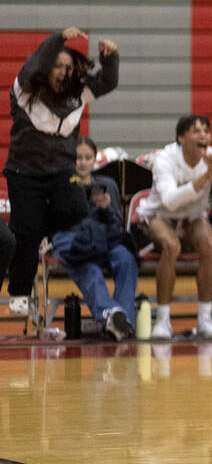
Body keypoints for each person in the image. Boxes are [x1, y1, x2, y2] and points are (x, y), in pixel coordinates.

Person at [4, 26, 118, 318]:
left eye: (69, 67)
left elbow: (107, 82)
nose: (64, 72)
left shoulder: (77, 95)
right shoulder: (25, 89)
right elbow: (32, 64)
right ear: (45, 65)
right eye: (58, 65)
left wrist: (110, 58)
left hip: (60, 170)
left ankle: (45, 232)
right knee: (24, 234)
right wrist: (59, 39)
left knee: (77, 207)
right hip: (24, 172)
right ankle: (18, 290)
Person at [136, 115, 212, 339]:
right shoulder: (165, 158)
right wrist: (206, 176)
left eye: (207, 131)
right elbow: (170, 200)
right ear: (181, 137)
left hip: (192, 217)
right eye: (196, 131)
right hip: (160, 216)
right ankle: (163, 320)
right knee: (172, 245)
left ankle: (205, 319)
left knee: (209, 244)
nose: (203, 135)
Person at [54, 136, 137, 340]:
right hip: (71, 240)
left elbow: (116, 223)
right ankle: (112, 315)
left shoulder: (107, 185)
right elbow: (57, 221)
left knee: (126, 259)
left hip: (102, 239)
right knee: (89, 268)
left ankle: (124, 321)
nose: (82, 162)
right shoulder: (61, 185)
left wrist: (107, 209)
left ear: (94, 160)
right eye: (78, 158)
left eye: (87, 158)